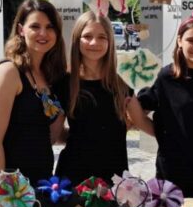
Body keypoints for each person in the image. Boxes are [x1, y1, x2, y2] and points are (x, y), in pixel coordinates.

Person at [137, 9, 193, 198]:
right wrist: (161, 135)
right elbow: (139, 110)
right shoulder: (167, 77)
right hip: (173, 170)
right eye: (191, 40)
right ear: (180, 41)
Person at [53, 11, 153, 185]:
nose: (94, 43)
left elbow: (142, 122)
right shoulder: (64, 83)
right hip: (74, 176)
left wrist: (175, 136)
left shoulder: (121, 82)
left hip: (113, 177)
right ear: (77, 39)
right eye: (87, 36)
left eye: (102, 37)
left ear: (110, 42)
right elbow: (54, 134)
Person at [0, 0, 68, 189]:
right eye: (35, 26)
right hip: (12, 186)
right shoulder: (9, 72)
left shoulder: (52, 77)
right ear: (21, 30)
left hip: (43, 182)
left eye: (50, 27)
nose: (43, 33)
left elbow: (50, 136)